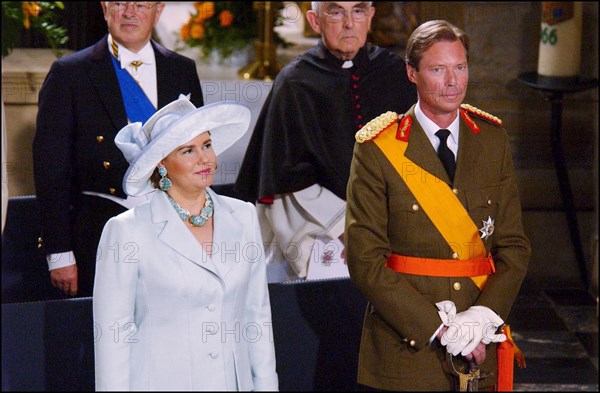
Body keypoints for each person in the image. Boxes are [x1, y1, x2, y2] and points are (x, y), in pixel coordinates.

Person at [345, 20, 531, 390]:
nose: (453, 81)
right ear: (411, 73)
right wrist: (441, 330)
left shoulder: (492, 139)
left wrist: (480, 317)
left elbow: (513, 247)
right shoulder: (378, 148)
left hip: (481, 346)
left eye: (460, 67)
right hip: (408, 351)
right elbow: (364, 259)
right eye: (438, 69)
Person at [93, 97, 278, 391]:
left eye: (207, 145)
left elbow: (257, 316)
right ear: (162, 165)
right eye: (188, 150)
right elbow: (114, 337)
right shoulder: (126, 232)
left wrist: (267, 386)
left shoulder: (243, 216)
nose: (205, 159)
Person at [234, 1, 416, 282]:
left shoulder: (395, 73)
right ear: (315, 21)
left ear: (370, 17)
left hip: (393, 222)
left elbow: (417, 157)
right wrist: (349, 228)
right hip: (320, 225)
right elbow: (285, 177)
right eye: (335, 11)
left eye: (357, 11)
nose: (349, 23)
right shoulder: (295, 82)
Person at [32, 1, 204, 298]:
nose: (129, 13)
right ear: (104, 8)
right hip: (99, 231)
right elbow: (51, 169)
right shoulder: (69, 73)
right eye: (120, 3)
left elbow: (197, 156)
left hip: (172, 229)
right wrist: (59, 252)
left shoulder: (182, 70)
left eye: (140, 4)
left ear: (158, 10)